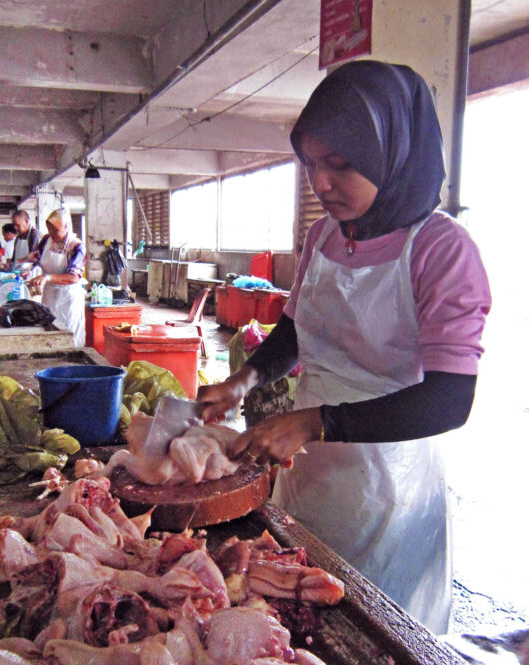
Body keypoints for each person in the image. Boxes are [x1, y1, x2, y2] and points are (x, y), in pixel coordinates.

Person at [198, 60, 492, 635]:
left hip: (390, 491)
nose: (321, 184)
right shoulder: (324, 236)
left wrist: (315, 423)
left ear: (393, 155)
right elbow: (295, 332)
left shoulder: (441, 251)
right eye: (310, 164)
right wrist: (243, 382)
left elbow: (450, 401)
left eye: (341, 164)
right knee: (295, 622)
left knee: (375, 649)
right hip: (309, 474)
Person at [27, 208, 86, 346]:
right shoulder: (46, 240)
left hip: (68, 298)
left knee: (69, 333)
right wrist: (28, 269)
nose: (51, 233)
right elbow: (36, 257)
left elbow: (73, 277)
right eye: (49, 229)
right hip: (49, 294)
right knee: (49, 330)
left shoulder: (77, 246)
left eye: (56, 230)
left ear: (66, 227)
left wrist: (47, 277)